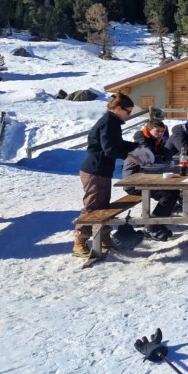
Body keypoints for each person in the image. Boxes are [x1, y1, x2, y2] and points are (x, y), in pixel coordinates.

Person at [74, 93, 141, 257]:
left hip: (102, 170)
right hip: (95, 170)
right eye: (128, 111)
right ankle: (79, 242)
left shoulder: (113, 122)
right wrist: (128, 155)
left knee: (102, 207)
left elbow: (115, 144)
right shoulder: (109, 123)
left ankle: (103, 237)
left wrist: (135, 145)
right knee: (92, 207)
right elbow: (109, 149)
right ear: (118, 109)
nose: (129, 115)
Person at [121, 118, 178, 241]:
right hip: (133, 182)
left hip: (145, 179)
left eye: (162, 131)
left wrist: (165, 155)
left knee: (174, 191)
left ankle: (156, 222)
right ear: (149, 129)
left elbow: (165, 152)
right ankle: (152, 227)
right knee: (169, 195)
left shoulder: (155, 141)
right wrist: (162, 157)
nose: (160, 134)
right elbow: (151, 160)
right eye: (157, 131)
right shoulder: (142, 143)